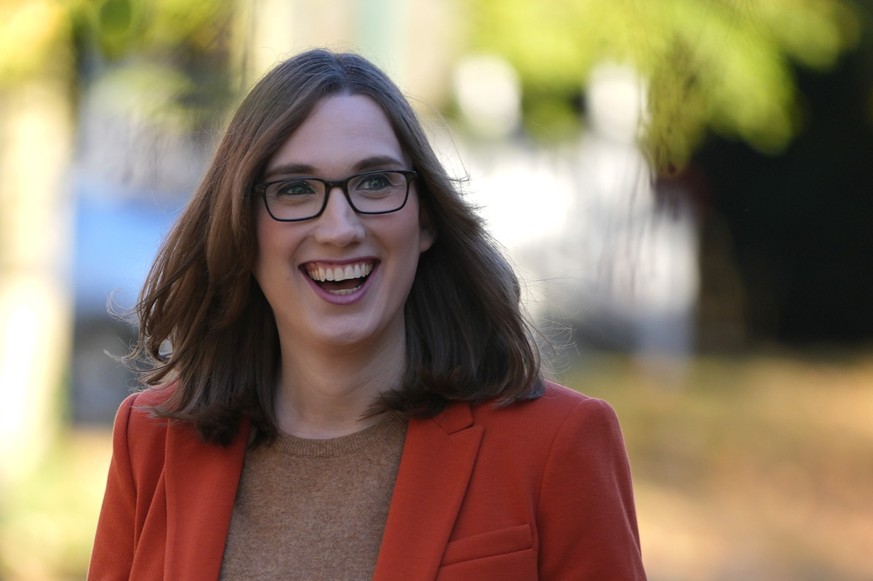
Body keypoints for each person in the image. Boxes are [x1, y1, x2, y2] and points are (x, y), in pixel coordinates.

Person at [88, 48, 646, 580]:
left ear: (425, 218)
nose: (340, 229)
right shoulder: (152, 442)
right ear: (242, 228)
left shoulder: (556, 444)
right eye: (296, 188)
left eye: (375, 182)